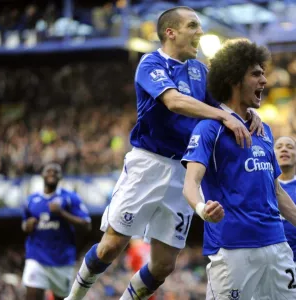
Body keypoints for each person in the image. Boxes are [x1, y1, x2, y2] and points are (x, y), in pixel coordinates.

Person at [65, 7, 263, 300]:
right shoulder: (151, 63)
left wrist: (245, 113)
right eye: (193, 25)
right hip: (148, 164)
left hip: (184, 172)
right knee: (110, 247)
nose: (200, 32)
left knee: (163, 265)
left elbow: (221, 105)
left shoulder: (199, 70)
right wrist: (225, 117)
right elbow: (174, 101)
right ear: (171, 32)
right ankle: (74, 297)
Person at [182, 38, 296, 300]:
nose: (264, 81)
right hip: (233, 250)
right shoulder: (209, 128)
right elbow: (190, 183)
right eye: (256, 74)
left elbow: (276, 191)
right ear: (234, 80)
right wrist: (202, 210)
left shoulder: (264, 130)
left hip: (277, 246)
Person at [22, 163, 91, 300]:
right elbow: (24, 226)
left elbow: (86, 225)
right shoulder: (31, 200)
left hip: (62, 260)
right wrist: (27, 225)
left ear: (61, 176)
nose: (52, 173)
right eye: (49, 170)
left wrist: (62, 213)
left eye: (56, 171)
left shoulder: (70, 198)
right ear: (42, 174)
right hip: (37, 258)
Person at [274, 136, 296, 265]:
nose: (284, 150)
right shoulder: (263, 187)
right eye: (279, 147)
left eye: (290, 147)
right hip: (271, 262)